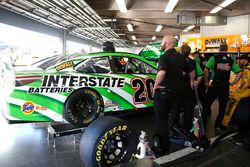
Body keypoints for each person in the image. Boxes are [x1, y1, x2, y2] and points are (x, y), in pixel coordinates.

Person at [153, 36, 195, 155]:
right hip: (176, 94)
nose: (162, 44)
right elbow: (192, 71)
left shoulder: (164, 56)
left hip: (163, 93)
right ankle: (170, 136)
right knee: (172, 117)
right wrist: (192, 81)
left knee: (161, 120)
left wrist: (155, 85)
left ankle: (164, 148)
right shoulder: (181, 57)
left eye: (162, 42)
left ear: (166, 43)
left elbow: (161, 72)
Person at [203, 43, 242, 131]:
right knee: (223, 106)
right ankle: (218, 125)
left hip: (215, 84)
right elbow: (239, 73)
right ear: (227, 50)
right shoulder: (231, 60)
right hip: (225, 85)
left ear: (219, 49)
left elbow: (206, 70)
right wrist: (233, 83)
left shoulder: (213, 58)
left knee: (206, 104)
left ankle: (203, 124)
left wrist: (206, 82)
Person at [179, 44, 204, 132]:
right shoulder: (193, 62)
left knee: (176, 109)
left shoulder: (175, 61)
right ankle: (187, 128)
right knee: (188, 110)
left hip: (177, 90)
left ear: (180, 51)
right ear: (189, 52)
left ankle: (176, 128)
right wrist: (197, 82)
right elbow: (200, 74)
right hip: (190, 89)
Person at [222, 54, 250, 126]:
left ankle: (225, 122)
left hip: (247, 90)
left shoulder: (247, 70)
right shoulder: (246, 68)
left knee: (232, 101)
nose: (239, 61)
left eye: (240, 59)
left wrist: (239, 91)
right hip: (246, 89)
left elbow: (246, 84)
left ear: (245, 60)